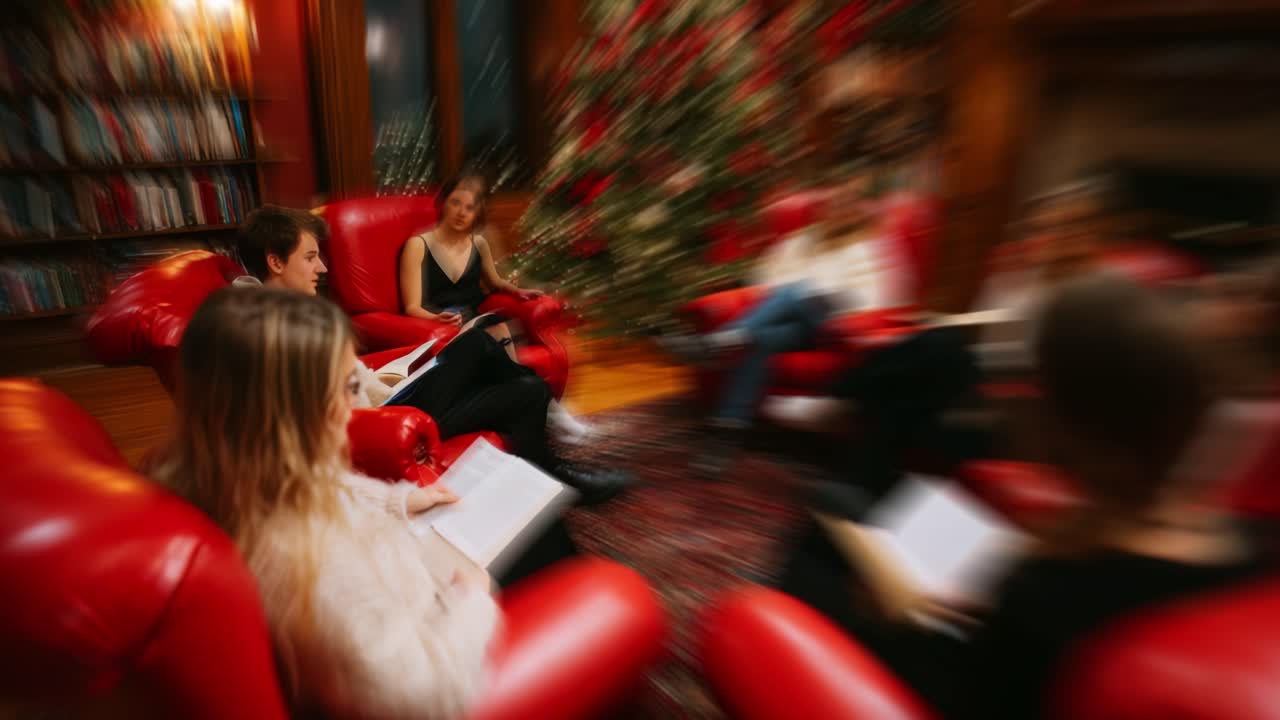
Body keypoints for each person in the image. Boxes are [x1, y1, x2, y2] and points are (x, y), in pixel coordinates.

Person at [779, 274, 1278, 719]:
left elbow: (972, 689)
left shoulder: (1050, 589)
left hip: (943, 680)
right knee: (856, 503)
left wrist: (898, 616)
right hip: (1001, 633)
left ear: (1057, 417)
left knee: (820, 532)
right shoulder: (1255, 547)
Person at [149, 288, 500, 717]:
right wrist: (474, 602)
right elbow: (419, 699)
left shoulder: (235, 476)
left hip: (421, 596)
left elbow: (324, 485)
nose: (357, 405)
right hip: (444, 656)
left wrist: (402, 502)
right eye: (350, 386)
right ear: (294, 411)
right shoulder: (316, 565)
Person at [233, 205, 626, 504]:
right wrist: (388, 392)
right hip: (385, 425)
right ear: (275, 261)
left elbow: (349, 379)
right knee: (477, 345)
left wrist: (398, 375)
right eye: (310, 257)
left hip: (390, 400)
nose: (321, 267)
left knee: (527, 392)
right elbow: (328, 411)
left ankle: (553, 478)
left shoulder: (287, 310)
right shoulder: (272, 328)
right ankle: (558, 467)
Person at [660, 172, 912, 472]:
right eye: (835, 204)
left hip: (838, 326)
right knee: (759, 340)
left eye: (849, 205)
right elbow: (764, 282)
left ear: (860, 211)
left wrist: (814, 296)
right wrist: (788, 300)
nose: (839, 211)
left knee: (796, 289)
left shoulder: (870, 247)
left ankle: (716, 343)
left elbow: (873, 300)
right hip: (795, 326)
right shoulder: (799, 241)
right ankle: (727, 433)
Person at [396, 175, 594, 438]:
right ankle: (549, 409)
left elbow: (495, 280)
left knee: (497, 327)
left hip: (477, 319)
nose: (461, 212)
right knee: (493, 334)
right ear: (444, 204)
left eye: (470, 208)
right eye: (456, 203)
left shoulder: (479, 243)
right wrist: (436, 318)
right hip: (444, 325)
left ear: (477, 213)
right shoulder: (418, 245)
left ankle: (538, 409)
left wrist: (518, 291)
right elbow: (411, 307)